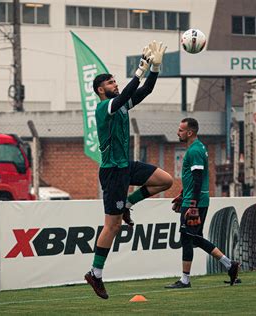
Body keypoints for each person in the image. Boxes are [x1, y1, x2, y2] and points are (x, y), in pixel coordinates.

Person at [84, 41, 173, 299]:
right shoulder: (104, 107)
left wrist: (155, 68)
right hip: (112, 171)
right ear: (101, 90)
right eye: (110, 83)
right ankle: (95, 273)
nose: (115, 84)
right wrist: (139, 70)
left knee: (165, 180)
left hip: (126, 166)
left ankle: (127, 204)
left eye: (115, 81)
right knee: (111, 227)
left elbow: (144, 90)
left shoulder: (121, 104)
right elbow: (126, 93)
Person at [165, 117, 240, 289]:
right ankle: (229, 264)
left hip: (196, 202)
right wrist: (183, 195)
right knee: (195, 239)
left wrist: (192, 204)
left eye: (181, 130)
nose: (178, 132)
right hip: (194, 199)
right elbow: (193, 180)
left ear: (189, 132)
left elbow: (198, 179)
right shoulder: (196, 148)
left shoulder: (195, 151)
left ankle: (185, 280)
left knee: (187, 238)